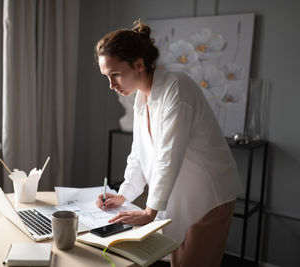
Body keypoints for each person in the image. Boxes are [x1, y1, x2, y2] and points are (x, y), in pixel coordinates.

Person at [95, 20, 242, 267]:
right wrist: (123, 195)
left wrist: (149, 211)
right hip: (180, 195)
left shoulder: (177, 88)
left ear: (139, 64)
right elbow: (138, 155)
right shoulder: (142, 99)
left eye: (115, 74)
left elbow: (168, 154)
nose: (111, 85)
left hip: (209, 197)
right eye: (107, 77)